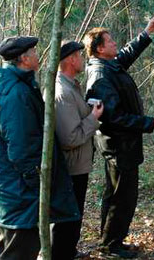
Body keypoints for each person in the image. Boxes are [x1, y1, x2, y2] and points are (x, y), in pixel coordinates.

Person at [0, 36, 80, 260]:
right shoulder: (15, 93)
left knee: (8, 248)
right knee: (19, 250)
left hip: (12, 191)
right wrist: (40, 187)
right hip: (19, 195)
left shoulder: (13, 85)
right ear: (24, 58)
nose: (38, 54)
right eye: (33, 51)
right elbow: (22, 150)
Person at [83, 17, 154, 259]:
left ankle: (111, 241)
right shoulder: (100, 75)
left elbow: (125, 56)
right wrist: (146, 123)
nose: (115, 43)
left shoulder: (108, 66)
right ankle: (110, 246)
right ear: (99, 49)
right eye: (110, 41)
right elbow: (112, 117)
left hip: (122, 145)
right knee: (121, 197)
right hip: (118, 146)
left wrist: (146, 33)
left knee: (119, 194)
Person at [51, 40, 104, 259]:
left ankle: (69, 252)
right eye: (80, 56)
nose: (83, 59)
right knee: (66, 219)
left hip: (77, 165)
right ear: (71, 59)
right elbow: (70, 137)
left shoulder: (72, 85)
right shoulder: (62, 92)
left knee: (74, 216)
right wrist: (93, 117)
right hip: (70, 167)